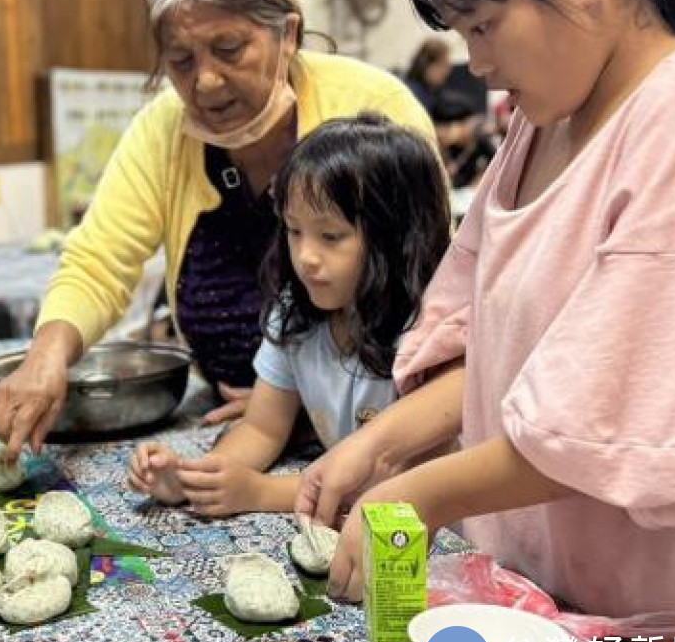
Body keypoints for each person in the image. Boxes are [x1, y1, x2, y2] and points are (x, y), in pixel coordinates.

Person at [295, 0, 675, 642]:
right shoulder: (537, 124)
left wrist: (416, 496)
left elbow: (605, 416)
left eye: (485, 25)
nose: (476, 62)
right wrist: (379, 446)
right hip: (532, 603)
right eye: (461, 32)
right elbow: (495, 353)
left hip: (641, 630)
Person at [0, 0, 435, 460]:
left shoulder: (372, 107)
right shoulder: (163, 131)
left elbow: (427, 282)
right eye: (181, 61)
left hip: (378, 434)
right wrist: (45, 356)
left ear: (288, 34)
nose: (206, 83)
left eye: (230, 49)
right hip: (238, 425)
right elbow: (99, 259)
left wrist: (298, 398)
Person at [128, 115, 450, 516]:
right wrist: (195, 478)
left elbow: (400, 479)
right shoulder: (295, 312)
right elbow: (262, 428)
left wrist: (261, 493)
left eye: (330, 236)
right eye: (294, 231)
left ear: (398, 236)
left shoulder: (428, 333)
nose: (306, 257)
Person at [405, 37, 496, 187]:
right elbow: (417, 132)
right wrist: (458, 131)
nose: (447, 73)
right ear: (430, 65)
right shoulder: (415, 93)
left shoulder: (430, 92)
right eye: (444, 66)